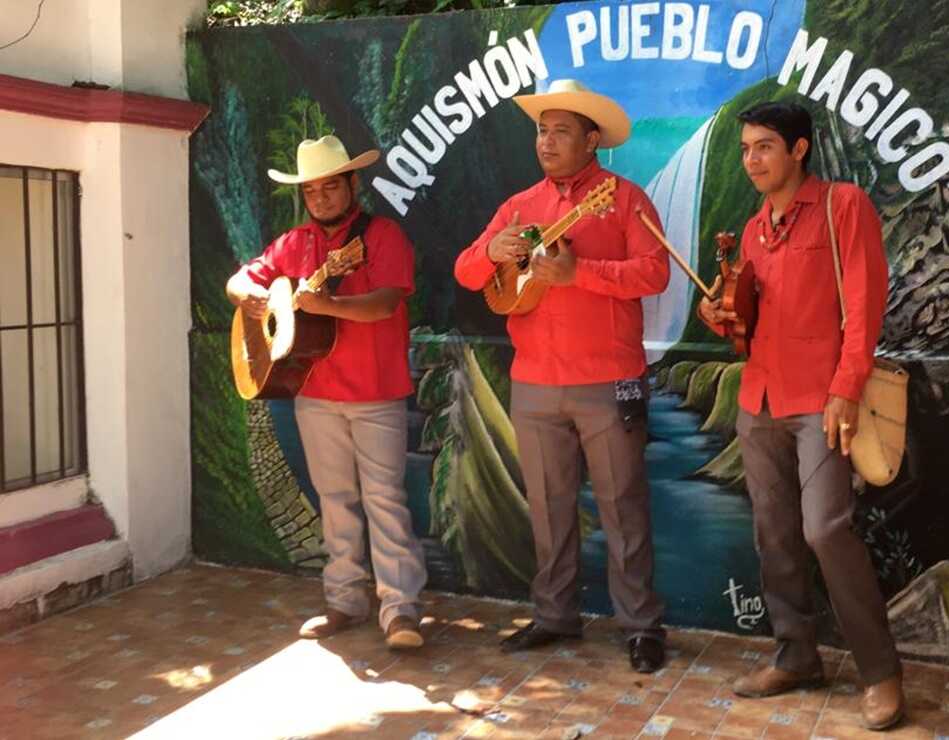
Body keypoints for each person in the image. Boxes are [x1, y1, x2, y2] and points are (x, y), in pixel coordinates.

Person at [698, 101, 905, 730]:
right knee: (774, 532)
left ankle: (880, 673)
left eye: (764, 146)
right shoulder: (755, 229)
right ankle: (796, 654)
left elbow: (864, 305)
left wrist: (845, 388)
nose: (752, 160)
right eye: (744, 149)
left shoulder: (844, 206)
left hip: (822, 400)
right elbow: (750, 320)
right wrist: (722, 317)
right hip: (758, 397)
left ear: (799, 149)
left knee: (825, 530)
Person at [454, 79, 670, 674]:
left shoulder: (624, 200)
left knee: (622, 505)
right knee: (548, 506)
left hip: (610, 377)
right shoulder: (519, 205)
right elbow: (467, 270)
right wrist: (494, 251)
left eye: (561, 131)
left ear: (592, 140)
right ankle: (554, 615)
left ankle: (642, 626)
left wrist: (582, 273)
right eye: (541, 131)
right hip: (535, 381)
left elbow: (655, 274)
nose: (547, 141)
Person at [225, 135, 427, 650]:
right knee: (335, 500)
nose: (320, 198)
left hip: (376, 391)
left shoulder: (382, 237)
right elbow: (242, 281)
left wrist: (325, 306)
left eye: (330, 187)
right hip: (313, 390)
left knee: (384, 500)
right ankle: (344, 600)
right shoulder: (292, 245)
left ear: (352, 185)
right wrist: (250, 294)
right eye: (311, 190)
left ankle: (400, 610)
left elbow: (383, 304)